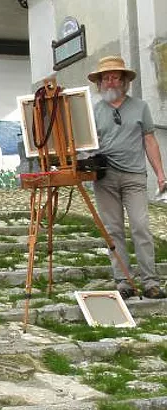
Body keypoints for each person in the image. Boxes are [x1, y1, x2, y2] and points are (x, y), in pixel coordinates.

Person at [87, 55, 166, 300]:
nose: (110, 82)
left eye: (115, 77)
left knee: (141, 227)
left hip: (134, 176)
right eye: (106, 78)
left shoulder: (140, 107)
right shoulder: (93, 110)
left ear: (124, 81)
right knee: (113, 230)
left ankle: (150, 281)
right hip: (105, 177)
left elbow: (150, 140)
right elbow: (86, 144)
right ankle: (123, 281)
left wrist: (160, 174)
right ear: (100, 83)